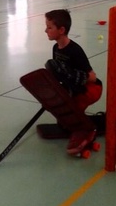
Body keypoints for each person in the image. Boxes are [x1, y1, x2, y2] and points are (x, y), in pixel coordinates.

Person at [44, 9, 103, 155]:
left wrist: (72, 75)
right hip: (75, 89)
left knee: (73, 119)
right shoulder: (56, 48)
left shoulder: (75, 50)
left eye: (49, 27)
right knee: (64, 122)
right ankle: (97, 121)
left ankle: (90, 130)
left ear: (62, 30)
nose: (46, 30)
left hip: (91, 89)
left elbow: (93, 77)